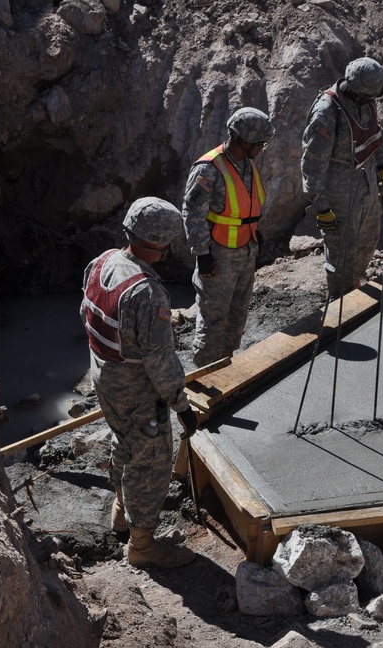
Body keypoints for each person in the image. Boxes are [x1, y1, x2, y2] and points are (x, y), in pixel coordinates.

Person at [81, 197, 200, 569]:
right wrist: (181, 405)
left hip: (105, 377)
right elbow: (160, 360)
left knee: (125, 440)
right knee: (151, 460)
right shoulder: (147, 293)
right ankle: (143, 547)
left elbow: (87, 314)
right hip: (135, 387)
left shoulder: (102, 263)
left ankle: (121, 510)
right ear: (161, 245)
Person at [182, 107, 275, 369]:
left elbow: (247, 203)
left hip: (246, 250)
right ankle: (204, 376)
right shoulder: (208, 169)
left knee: (236, 318)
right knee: (213, 321)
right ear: (243, 140)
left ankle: (225, 368)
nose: (261, 148)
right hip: (219, 256)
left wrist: (256, 234)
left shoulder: (248, 163)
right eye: (259, 144)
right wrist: (202, 254)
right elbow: (192, 213)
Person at [301, 56, 383, 299]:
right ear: (356, 90)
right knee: (342, 250)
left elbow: (375, 133)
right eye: (369, 97)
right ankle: (340, 299)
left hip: (367, 181)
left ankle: (356, 284)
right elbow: (312, 162)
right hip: (339, 190)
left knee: (368, 237)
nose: (372, 101)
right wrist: (320, 205)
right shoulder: (327, 112)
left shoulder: (366, 101)